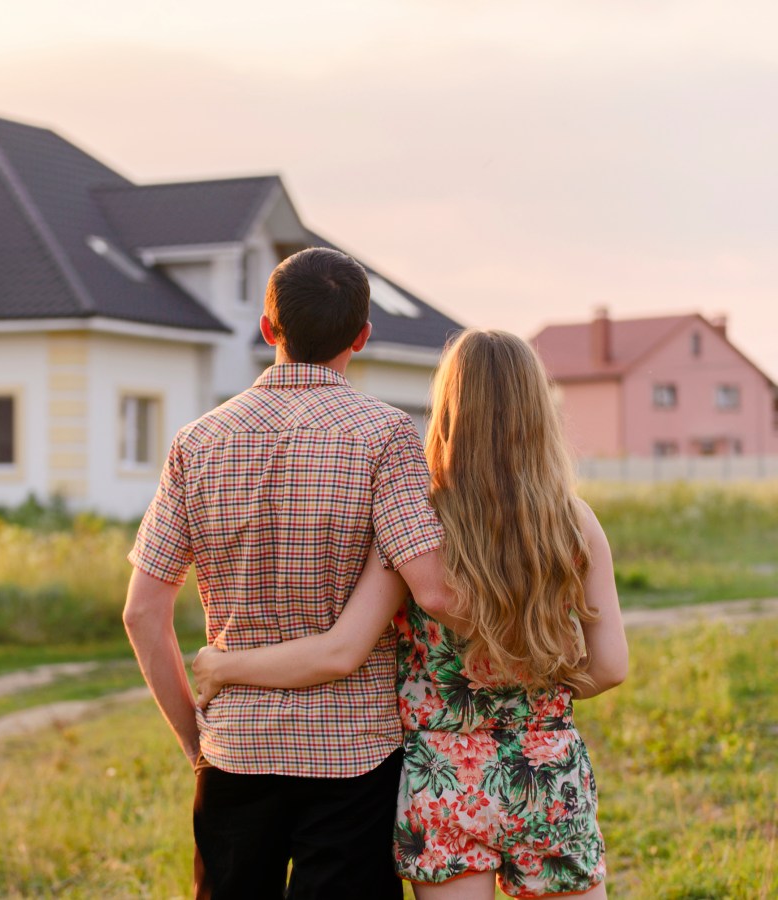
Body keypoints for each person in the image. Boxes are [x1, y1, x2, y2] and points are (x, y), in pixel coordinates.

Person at [193, 329, 630, 899]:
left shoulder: (414, 525)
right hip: (546, 769)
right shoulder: (574, 522)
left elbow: (339, 650)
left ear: (447, 410)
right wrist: (537, 698)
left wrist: (224, 666)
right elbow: (612, 666)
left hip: (444, 778)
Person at [124, 247, 455, 897]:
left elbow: (141, 613)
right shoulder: (386, 436)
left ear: (268, 328)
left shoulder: (197, 441)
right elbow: (435, 589)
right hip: (353, 756)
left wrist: (197, 740)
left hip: (235, 749)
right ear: (362, 336)